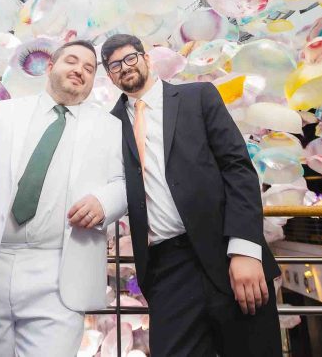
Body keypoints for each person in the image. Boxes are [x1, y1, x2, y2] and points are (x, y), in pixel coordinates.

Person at [0, 40, 127, 356]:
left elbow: (125, 183)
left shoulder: (110, 127)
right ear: (50, 67)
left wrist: (104, 202)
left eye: (89, 68)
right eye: (72, 61)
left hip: (60, 270)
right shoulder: (3, 114)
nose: (80, 70)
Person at [101, 33, 283, 357]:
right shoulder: (108, 125)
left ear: (146, 58)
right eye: (114, 65)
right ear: (109, 75)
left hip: (226, 251)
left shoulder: (198, 96)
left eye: (130, 58)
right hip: (166, 270)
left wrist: (244, 249)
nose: (124, 67)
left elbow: (238, 168)